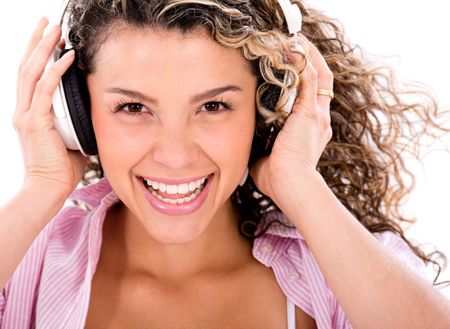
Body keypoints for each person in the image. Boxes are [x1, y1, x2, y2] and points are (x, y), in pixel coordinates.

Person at [1, 0, 450, 328]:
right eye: (134, 108)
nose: (175, 155)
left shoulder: (337, 269)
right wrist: (42, 185)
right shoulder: (28, 262)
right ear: (76, 115)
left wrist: (297, 182)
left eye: (214, 106)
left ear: (268, 107)